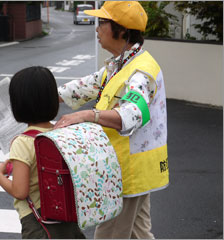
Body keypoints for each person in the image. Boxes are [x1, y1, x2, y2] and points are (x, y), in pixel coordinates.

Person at [54, 1, 169, 239]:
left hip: (129, 171)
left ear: (122, 29)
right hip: (129, 169)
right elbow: (82, 87)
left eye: (102, 22)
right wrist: (40, 94)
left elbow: (132, 114)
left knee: (109, 234)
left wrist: (87, 115)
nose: (96, 29)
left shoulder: (141, 71)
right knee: (139, 234)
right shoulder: (119, 65)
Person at [0, 66, 85, 239]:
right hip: (66, 216)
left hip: (38, 223)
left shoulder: (23, 143)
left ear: (18, 104)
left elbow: (20, 191)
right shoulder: (62, 133)